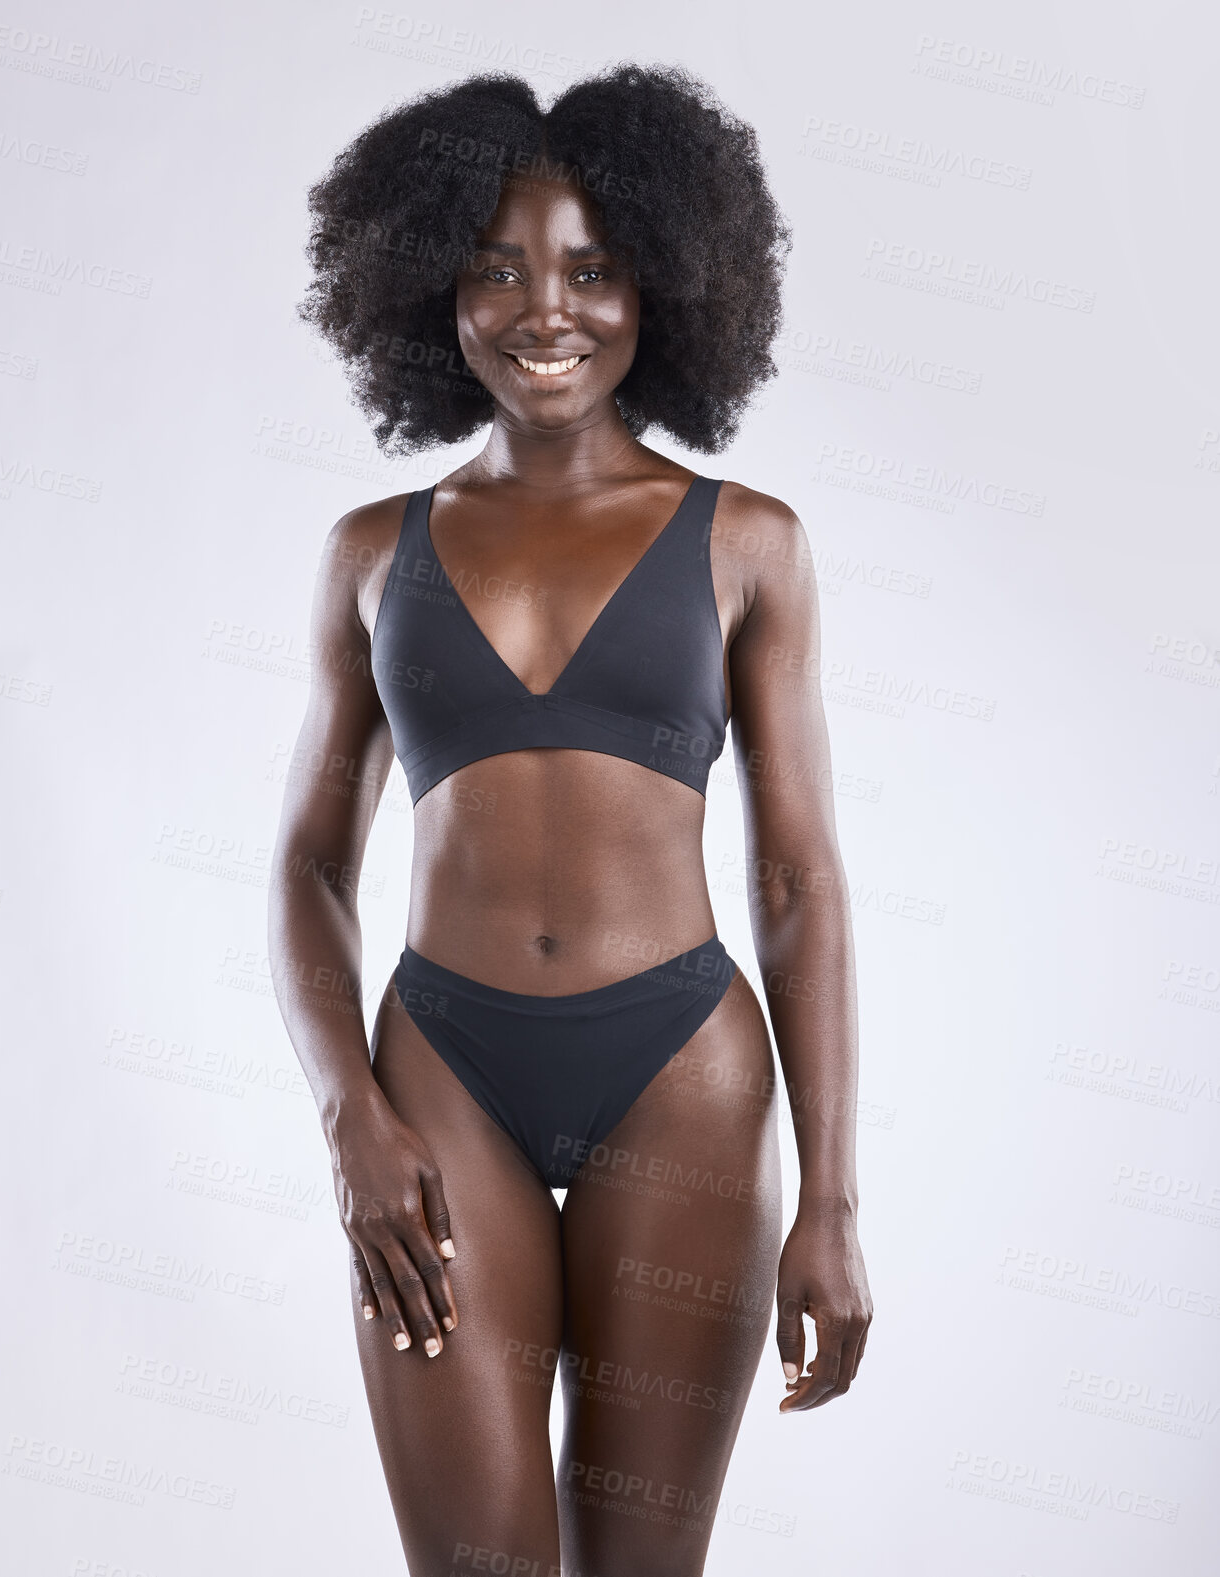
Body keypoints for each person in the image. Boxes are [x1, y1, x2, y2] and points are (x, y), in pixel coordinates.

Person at [269, 62, 871, 1577]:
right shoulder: (367, 551)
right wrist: (351, 1108)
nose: (549, 308)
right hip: (438, 1079)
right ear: (433, 292)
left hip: (682, 1069)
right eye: (500, 267)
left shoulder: (749, 542)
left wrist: (834, 1196)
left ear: (663, 284)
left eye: (593, 269)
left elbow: (797, 874)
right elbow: (305, 864)